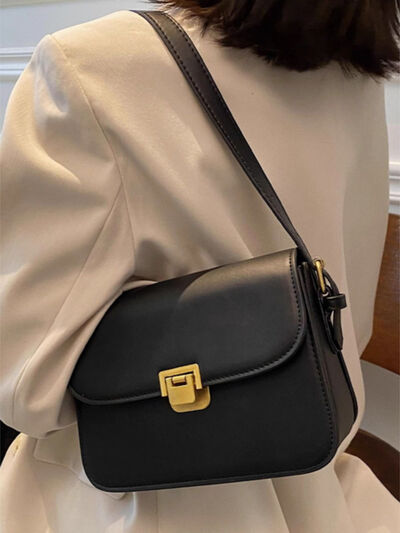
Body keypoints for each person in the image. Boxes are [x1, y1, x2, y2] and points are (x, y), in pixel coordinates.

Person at [0, 1, 399, 532]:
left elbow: (22, 390)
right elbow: (345, 326)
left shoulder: (89, 65)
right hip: (316, 474)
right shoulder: (356, 77)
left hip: (135, 497)